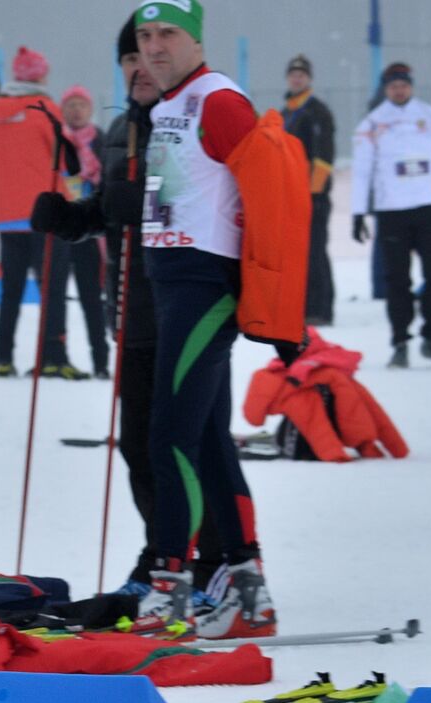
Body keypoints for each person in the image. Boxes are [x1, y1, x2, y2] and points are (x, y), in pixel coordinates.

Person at [29, 17, 224, 600]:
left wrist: (130, 202)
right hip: (135, 312)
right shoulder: (121, 128)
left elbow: (189, 199)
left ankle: (210, 557)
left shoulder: (184, 119)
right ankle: (161, 547)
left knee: (186, 444)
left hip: (187, 303)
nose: (141, 68)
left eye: (149, 55)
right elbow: (113, 209)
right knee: (139, 445)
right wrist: (74, 218)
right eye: (130, 60)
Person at [127, 0, 283, 639]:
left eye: (168, 33)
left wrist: (270, 294)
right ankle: (249, 593)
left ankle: (171, 590)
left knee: (170, 440)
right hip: (173, 285)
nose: (155, 46)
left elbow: (269, 193)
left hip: (204, 285)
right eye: (145, 35)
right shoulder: (168, 106)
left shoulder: (218, 101)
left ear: (195, 40)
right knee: (210, 445)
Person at [0, 45, 86, 379]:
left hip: (6, 216)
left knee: (11, 289)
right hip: (45, 214)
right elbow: (67, 161)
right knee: (52, 289)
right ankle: (54, 354)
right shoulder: (45, 109)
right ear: (39, 76)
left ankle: (2, 356)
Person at [351, 62, 431, 368]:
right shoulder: (372, 124)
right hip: (392, 211)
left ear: (411, 86)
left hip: (429, 206)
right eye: (393, 86)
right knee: (396, 280)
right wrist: (358, 212)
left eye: (403, 84)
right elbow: (362, 172)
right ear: (386, 89)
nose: (399, 90)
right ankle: (400, 340)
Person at [59, 84, 110, 377]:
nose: (76, 110)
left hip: (90, 231)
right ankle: (58, 355)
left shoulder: (100, 141)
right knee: (55, 299)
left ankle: (100, 361)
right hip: (62, 228)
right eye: (70, 105)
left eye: (81, 104)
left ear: (89, 110)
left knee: (93, 301)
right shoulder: (57, 141)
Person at [282, 54, 336, 325]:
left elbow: (324, 157)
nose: (297, 78)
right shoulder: (285, 112)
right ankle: (302, 306)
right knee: (297, 253)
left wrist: (315, 194)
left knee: (315, 252)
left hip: (312, 196)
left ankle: (321, 308)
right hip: (290, 196)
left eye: (302, 75)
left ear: (309, 79)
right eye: (293, 74)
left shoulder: (317, 111)